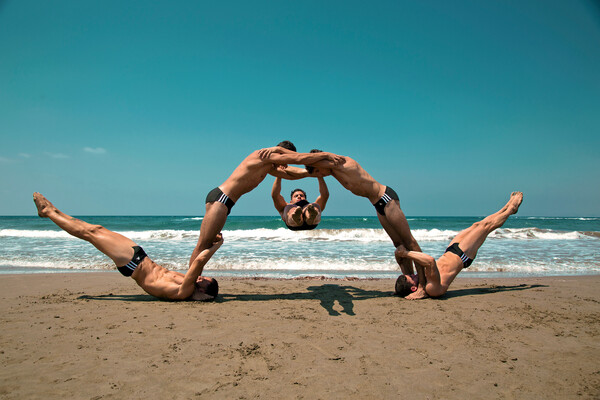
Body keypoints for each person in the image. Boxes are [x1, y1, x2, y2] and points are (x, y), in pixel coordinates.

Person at [262, 148, 426, 299]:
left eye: (319, 170)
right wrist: (277, 167)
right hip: (377, 204)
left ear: (321, 162)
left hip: (385, 198)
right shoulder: (331, 171)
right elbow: (302, 170)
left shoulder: (339, 162)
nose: (319, 174)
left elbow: (301, 159)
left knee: (409, 241)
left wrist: (279, 154)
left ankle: (423, 286)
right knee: (398, 244)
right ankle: (410, 281)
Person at [32, 193, 221, 301]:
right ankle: (52, 212)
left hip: (133, 263)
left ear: (203, 290)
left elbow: (199, 261)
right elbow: (197, 265)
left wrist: (217, 245)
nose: (201, 277)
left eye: (205, 279)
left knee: (89, 233)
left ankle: (49, 211)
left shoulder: (185, 291)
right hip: (140, 258)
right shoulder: (189, 285)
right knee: (95, 230)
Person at [188, 141, 345, 266]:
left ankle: (193, 281)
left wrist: (313, 173)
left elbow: (291, 174)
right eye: (285, 159)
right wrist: (327, 156)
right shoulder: (265, 156)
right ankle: (190, 284)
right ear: (281, 153)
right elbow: (298, 159)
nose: (284, 165)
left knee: (207, 244)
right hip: (221, 198)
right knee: (203, 245)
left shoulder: (268, 165)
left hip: (225, 202)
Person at [394, 191, 523, 298]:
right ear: (413, 287)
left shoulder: (420, 279)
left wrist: (399, 254)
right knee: (486, 227)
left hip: (451, 250)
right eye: (412, 277)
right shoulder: (432, 289)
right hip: (463, 256)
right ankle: (510, 210)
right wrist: (406, 254)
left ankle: (506, 208)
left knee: (477, 225)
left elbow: (400, 261)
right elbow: (430, 261)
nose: (413, 274)